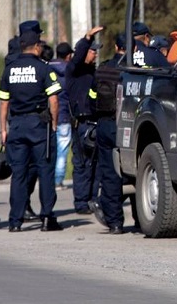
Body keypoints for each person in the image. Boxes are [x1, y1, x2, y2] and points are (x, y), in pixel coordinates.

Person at [0, 29, 63, 232]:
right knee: (45, 171)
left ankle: (15, 221)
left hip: (16, 126)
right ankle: (46, 218)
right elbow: (54, 100)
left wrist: (3, 129)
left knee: (18, 174)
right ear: (36, 47)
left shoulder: (9, 69)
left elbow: (3, 103)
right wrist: (53, 123)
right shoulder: (43, 69)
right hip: (38, 125)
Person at [66, 25, 104, 215]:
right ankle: (81, 202)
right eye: (92, 51)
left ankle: (92, 199)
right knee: (81, 165)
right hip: (80, 123)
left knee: (95, 164)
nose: (95, 55)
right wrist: (86, 38)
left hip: (94, 123)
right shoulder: (74, 70)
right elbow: (78, 56)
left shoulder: (93, 73)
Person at [89, 51, 126, 234]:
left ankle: (115, 223)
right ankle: (141, 219)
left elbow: (92, 98)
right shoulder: (131, 70)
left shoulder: (102, 70)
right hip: (126, 125)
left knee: (110, 175)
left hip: (104, 124)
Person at [51, 43, 74, 189]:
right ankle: (58, 180)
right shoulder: (69, 71)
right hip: (64, 114)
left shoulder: (46, 67)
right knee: (62, 150)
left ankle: (48, 178)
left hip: (48, 116)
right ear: (68, 55)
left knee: (50, 149)